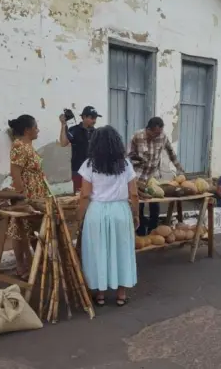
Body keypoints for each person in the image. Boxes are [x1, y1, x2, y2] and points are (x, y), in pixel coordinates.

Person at [76, 125, 138, 307]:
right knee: (122, 250)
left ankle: (101, 295)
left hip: (97, 212)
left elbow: (85, 195)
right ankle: (121, 295)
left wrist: (79, 218)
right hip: (120, 211)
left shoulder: (89, 165)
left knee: (98, 251)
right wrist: (135, 215)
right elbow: (134, 194)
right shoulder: (126, 165)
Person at [7, 114, 48, 280]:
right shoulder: (19, 146)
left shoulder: (28, 146)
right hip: (27, 196)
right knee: (19, 229)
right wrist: (22, 197)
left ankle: (37, 261)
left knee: (32, 229)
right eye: (36, 127)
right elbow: (15, 173)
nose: (38, 130)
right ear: (27, 130)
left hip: (37, 195)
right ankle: (20, 265)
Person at [128, 117, 184, 236]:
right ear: (148, 129)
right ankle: (141, 232)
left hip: (153, 175)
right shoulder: (137, 136)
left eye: (159, 133)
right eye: (154, 133)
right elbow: (128, 155)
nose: (157, 136)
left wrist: (178, 166)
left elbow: (170, 151)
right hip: (138, 176)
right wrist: (139, 160)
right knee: (139, 205)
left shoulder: (162, 137)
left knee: (155, 203)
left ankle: (153, 231)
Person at [59, 106, 100, 192]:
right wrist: (63, 125)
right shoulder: (74, 130)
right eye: (92, 118)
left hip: (94, 171)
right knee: (79, 196)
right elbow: (63, 143)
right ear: (83, 117)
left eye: (95, 118)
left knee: (93, 195)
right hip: (77, 170)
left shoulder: (97, 133)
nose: (94, 121)